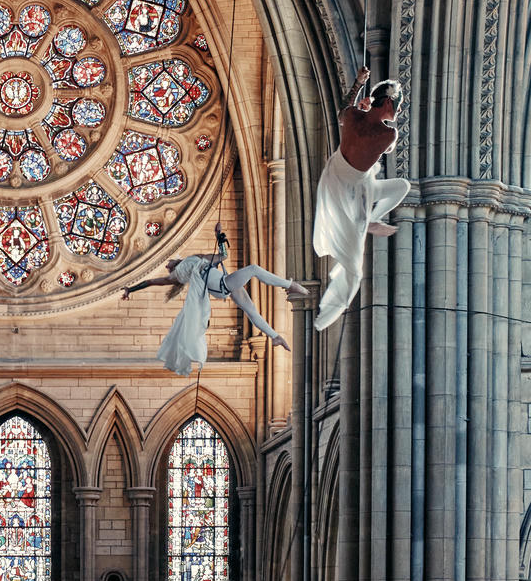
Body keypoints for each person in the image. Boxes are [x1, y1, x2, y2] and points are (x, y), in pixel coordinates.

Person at [121, 226, 307, 375]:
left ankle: (275, 337)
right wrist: (131, 289)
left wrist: (219, 236)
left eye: (168, 263)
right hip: (223, 284)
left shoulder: (194, 259)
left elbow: (223, 255)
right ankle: (289, 285)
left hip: (224, 283)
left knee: (252, 311)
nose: (166, 266)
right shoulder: (177, 276)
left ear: (175, 260)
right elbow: (151, 282)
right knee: (253, 269)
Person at [312, 66, 410, 331]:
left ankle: (370, 219)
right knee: (354, 270)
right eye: (398, 104)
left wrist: (358, 86)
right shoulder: (389, 133)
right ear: (388, 101)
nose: (399, 110)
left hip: (350, 182)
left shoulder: (355, 116)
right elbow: (387, 148)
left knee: (402, 186)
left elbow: (343, 111)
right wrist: (366, 109)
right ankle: (323, 320)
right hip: (346, 191)